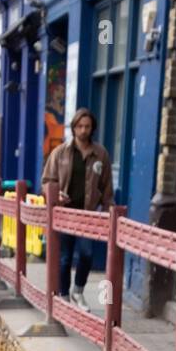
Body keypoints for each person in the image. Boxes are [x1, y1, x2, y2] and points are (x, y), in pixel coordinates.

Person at [41, 107, 114, 310]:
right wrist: (55, 195)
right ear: (73, 128)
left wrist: (109, 209)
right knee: (64, 258)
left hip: (87, 214)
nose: (83, 130)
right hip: (64, 213)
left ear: (92, 129)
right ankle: (63, 295)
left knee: (86, 254)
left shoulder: (101, 154)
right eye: (80, 126)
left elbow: (107, 186)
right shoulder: (60, 152)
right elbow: (46, 181)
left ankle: (78, 291)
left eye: (87, 126)